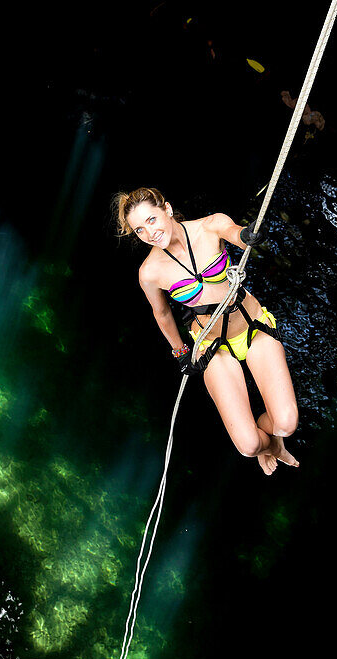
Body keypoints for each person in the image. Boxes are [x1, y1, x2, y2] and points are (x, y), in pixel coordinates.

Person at [115, 187, 299, 475]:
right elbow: (161, 313)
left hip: (252, 327)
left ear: (168, 209)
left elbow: (235, 232)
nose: (149, 233)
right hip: (212, 346)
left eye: (151, 220)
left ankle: (277, 440)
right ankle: (271, 447)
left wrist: (246, 236)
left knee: (286, 424)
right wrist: (180, 352)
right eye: (139, 229)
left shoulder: (209, 226)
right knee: (249, 446)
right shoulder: (149, 272)